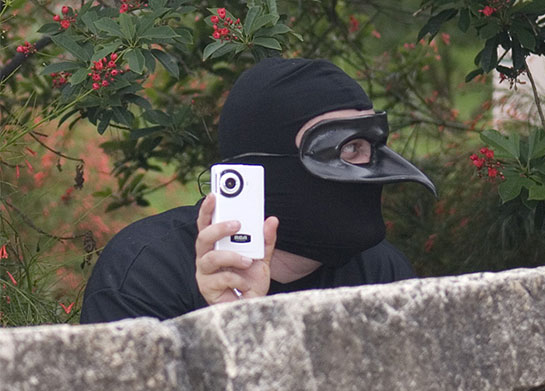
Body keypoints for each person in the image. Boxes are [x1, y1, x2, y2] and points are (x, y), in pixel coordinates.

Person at [80, 58, 436, 323]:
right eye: (346, 148)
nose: (367, 168)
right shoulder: (148, 274)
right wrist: (230, 322)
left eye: (367, 147)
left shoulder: (378, 271)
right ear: (257, 170)